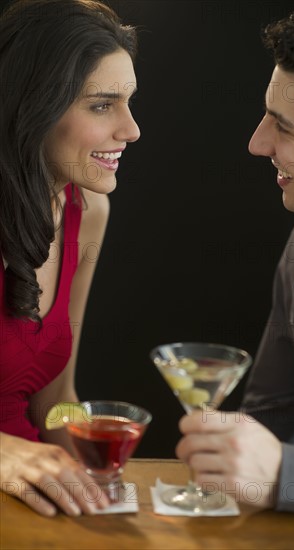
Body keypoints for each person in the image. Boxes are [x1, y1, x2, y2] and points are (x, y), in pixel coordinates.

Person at [176, 0, 294, 520]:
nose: (258, 144)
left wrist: (286, 473)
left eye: (283, 127)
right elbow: (271, 420)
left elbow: (276, 461)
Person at [0, 0, 140, 516]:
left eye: (128, 103)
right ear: (33, 105)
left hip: (34, 498)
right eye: (102, 105)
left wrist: (81, 446)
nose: (131, 130)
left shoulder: (89, 211)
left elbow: (54, 395)